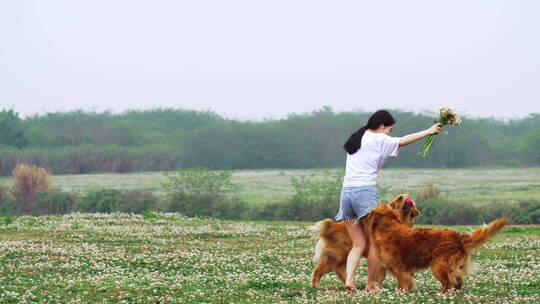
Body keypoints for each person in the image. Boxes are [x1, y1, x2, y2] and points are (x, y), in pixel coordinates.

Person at [336, 110, 442, 291]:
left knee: (358, 244)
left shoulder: (358, 139)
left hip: (346, 194)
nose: (389, 134)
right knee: (377, 244)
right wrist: (428, 131)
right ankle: (371, 284)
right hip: (365, 193)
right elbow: (403, 141)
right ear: (382, 125)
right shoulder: (378, 138)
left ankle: (349, 281)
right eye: (390, 130)